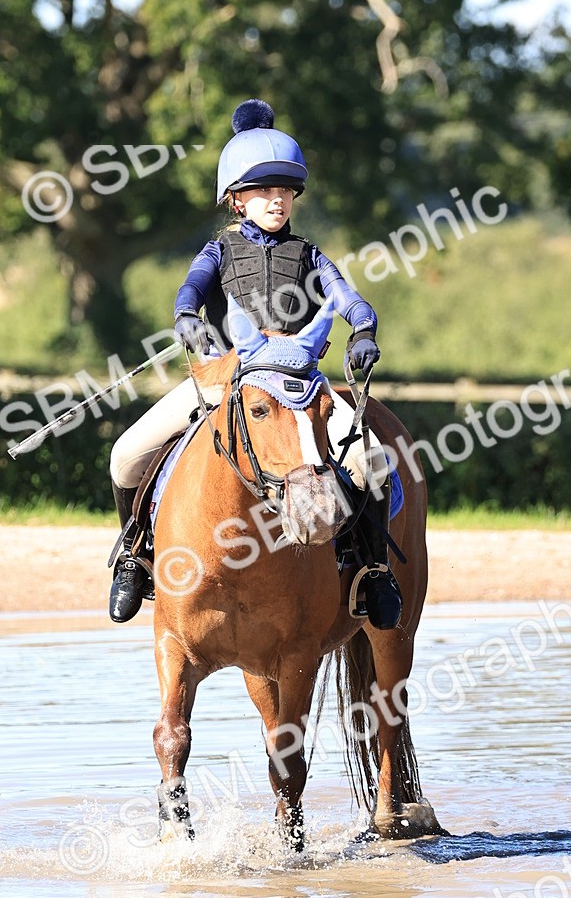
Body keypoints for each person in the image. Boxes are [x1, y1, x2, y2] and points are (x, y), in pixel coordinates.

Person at [108, 99, 402, 629]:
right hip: (226, 381)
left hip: (296, 386)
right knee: (126, 454)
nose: (277, 200)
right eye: (264, 191)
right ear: (236, 200)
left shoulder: (311, 254)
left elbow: (350, 299)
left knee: (372, 462)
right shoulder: (217, 250)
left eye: (285, 191)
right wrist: (185, 318)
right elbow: (189, 291)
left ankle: (373, 569)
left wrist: (364, 330)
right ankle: (136, 555)